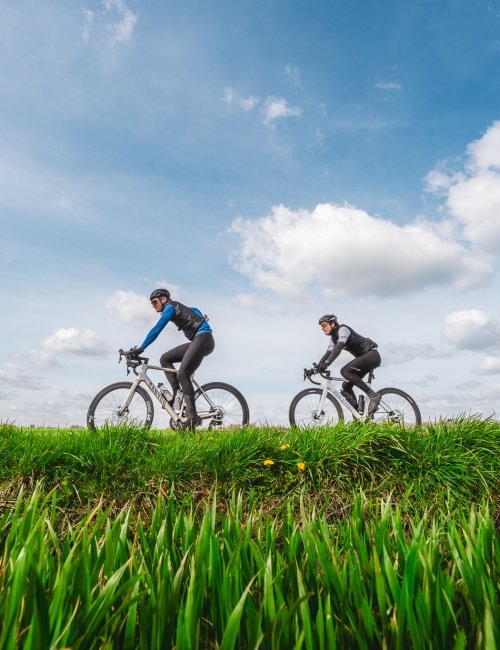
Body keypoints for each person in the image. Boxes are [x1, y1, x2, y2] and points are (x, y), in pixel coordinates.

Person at [126, 288, 214, 428]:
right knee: (165, 359)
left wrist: (141, 348)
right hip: (200, 340)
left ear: (163, 299)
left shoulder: (169, 307)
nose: (153, 305)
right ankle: (177, 392)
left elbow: (157, 329)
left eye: (155, 302)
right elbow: (194, 309)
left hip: (204, 339)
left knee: (182, 374)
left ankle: (192, 417)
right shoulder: (175, 307)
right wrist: (201, 317)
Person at [315, 314, 381, 415]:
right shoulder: (333, 338)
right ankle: (357, 415)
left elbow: (338, 347)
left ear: (332, 324)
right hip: (364, 359)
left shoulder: (343, 329)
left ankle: (373, 396)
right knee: (346, 386)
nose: (322, 328)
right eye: (321, 326)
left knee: (345, 371)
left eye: (324, 325)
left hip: (372, 355)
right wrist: (317, 367)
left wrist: (327, 363)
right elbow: (328, 353)